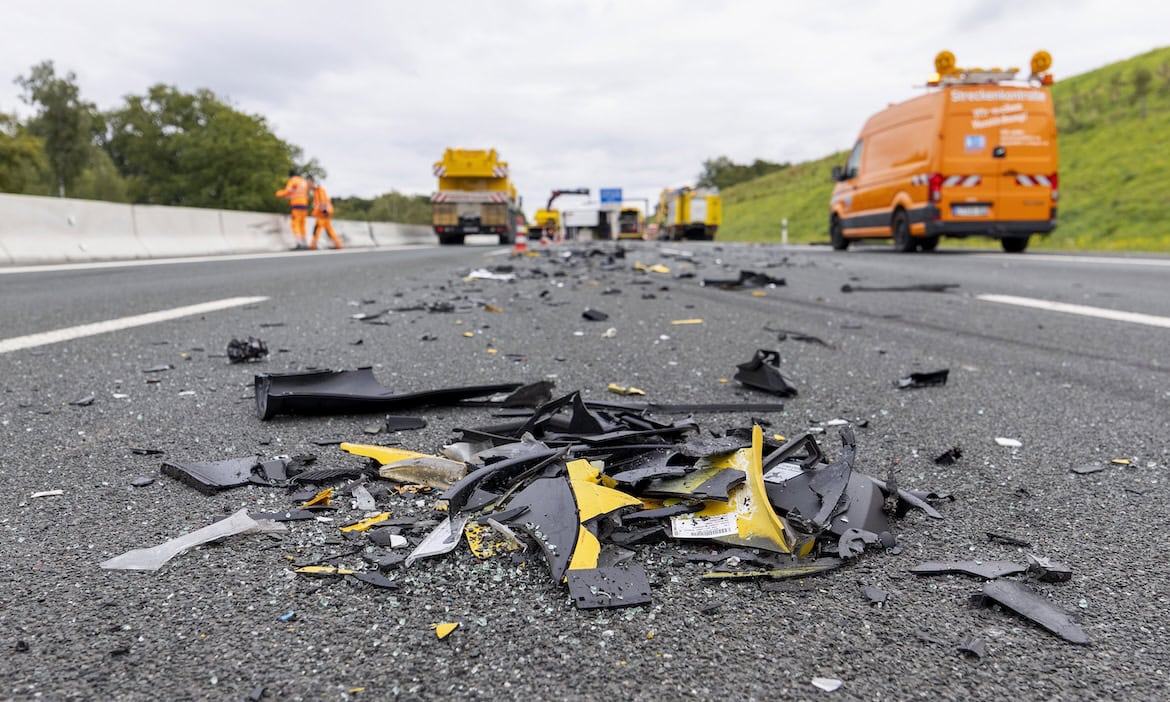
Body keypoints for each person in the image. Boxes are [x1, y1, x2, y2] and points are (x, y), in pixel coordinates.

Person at [275, 168, 309, 248]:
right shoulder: (303, 181)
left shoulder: (293, 181)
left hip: (296, 205)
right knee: (302, 224)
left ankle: (299, 243)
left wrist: (279, 193)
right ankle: (304, 243)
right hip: (304, 205)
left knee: (295, 224)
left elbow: (288, 191)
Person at [307, 176, 343, 250]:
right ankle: (338, 244)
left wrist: (324, 212)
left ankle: (313, 245)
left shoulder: (319, 190)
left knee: (317, 228)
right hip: (324, 213)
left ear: (313, 182)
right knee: (329, 229)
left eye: (309, 183)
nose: (308, 185)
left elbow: (322, 202)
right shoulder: (317, 191)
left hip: (322, 213)